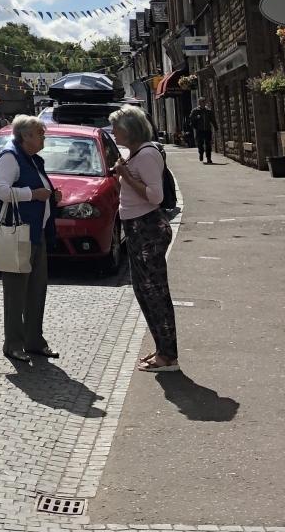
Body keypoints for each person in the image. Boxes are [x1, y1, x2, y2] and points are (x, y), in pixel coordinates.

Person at [110, 103, 179, 373]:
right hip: (137, 228)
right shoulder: (136, 153)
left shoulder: (147, 154)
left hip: (147, 228)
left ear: (129, 129)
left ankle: (168, 356)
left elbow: (155, 196)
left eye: (116, 128)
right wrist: (123, 174)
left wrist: (126, 175)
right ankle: (163, 349)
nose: (113, 132)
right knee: (144, 292)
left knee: (155, 293)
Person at [0, 114, 58, 364]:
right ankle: (13, 344)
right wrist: (33, 194)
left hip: (36, 232)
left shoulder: (31, 158)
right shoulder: (9, 156)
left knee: (37, 290)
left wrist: (51, 195)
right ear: (26, 136)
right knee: (16, 293)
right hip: (18, 233)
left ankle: (34, 340)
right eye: (40, 134)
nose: (44, 137)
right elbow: (0, 190)